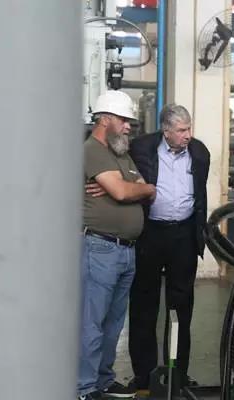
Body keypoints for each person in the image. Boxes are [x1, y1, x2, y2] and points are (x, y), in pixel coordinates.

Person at [127, 104, 210, 393]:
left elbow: (200, 195)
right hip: (149, 234)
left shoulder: (199, 152)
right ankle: (144, 376)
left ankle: (177, 375)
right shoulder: (141, 148)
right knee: (144, 306)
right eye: (182, 130)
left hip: (183, 236)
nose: (188, 135)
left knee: (181, 307)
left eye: (189, 128)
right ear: (166, 131)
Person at [79, 90, 156, 400]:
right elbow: (124, 192)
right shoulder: (93, 151)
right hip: (100, 248)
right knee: (92, 322)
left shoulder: (120, 153)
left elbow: (144, 188)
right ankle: (84, 387)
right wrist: (131, 188)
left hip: (126, 250)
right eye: (124, 120)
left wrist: (138, 188)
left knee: (113, 323)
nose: (128, 127)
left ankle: (103, 380)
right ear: (105, 120)